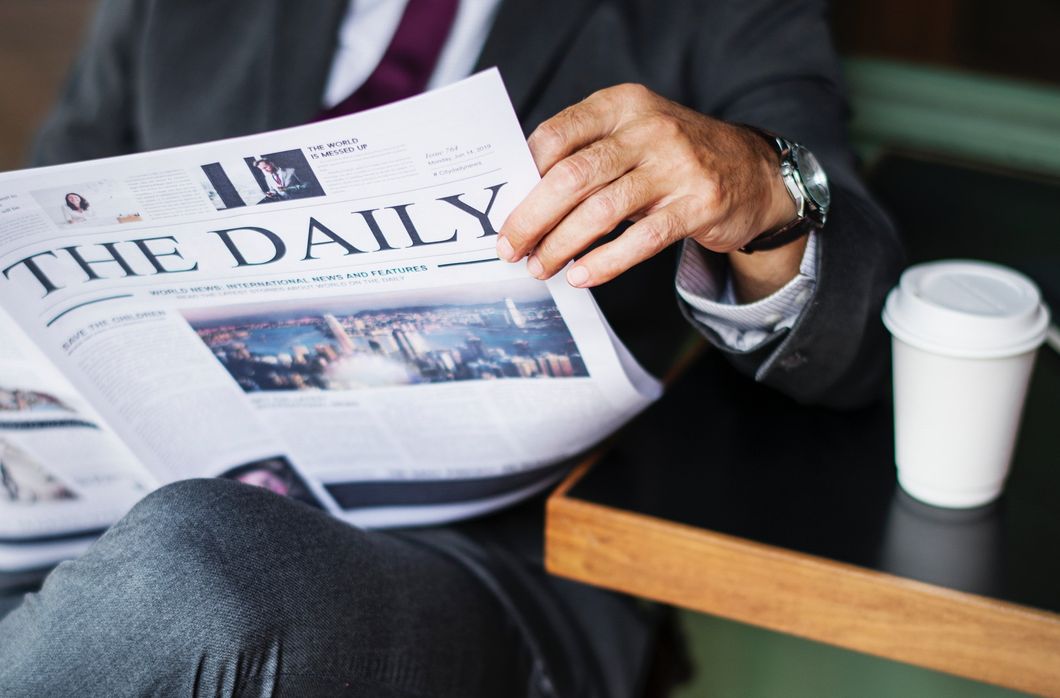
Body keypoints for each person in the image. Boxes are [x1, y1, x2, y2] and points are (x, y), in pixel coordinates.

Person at [0, 0, 903, 696]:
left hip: (491, 559)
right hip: (107, 498)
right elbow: (45, 227)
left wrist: (762, 184)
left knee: (188, 576)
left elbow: (861, 336)